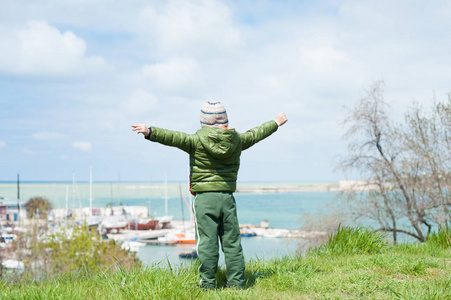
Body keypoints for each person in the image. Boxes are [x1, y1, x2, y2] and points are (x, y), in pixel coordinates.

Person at [132, 101, 287, 289]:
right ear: (225, 121)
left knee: (207, 243)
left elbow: (172, 137)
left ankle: (207, 284)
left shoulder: (195, 140)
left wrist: (150, 132)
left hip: (204, 199)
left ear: (204, 123)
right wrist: (275, 123)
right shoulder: (236, 140)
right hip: (227, 198)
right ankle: (237, 283)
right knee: (232, 243)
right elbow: (255, 134)